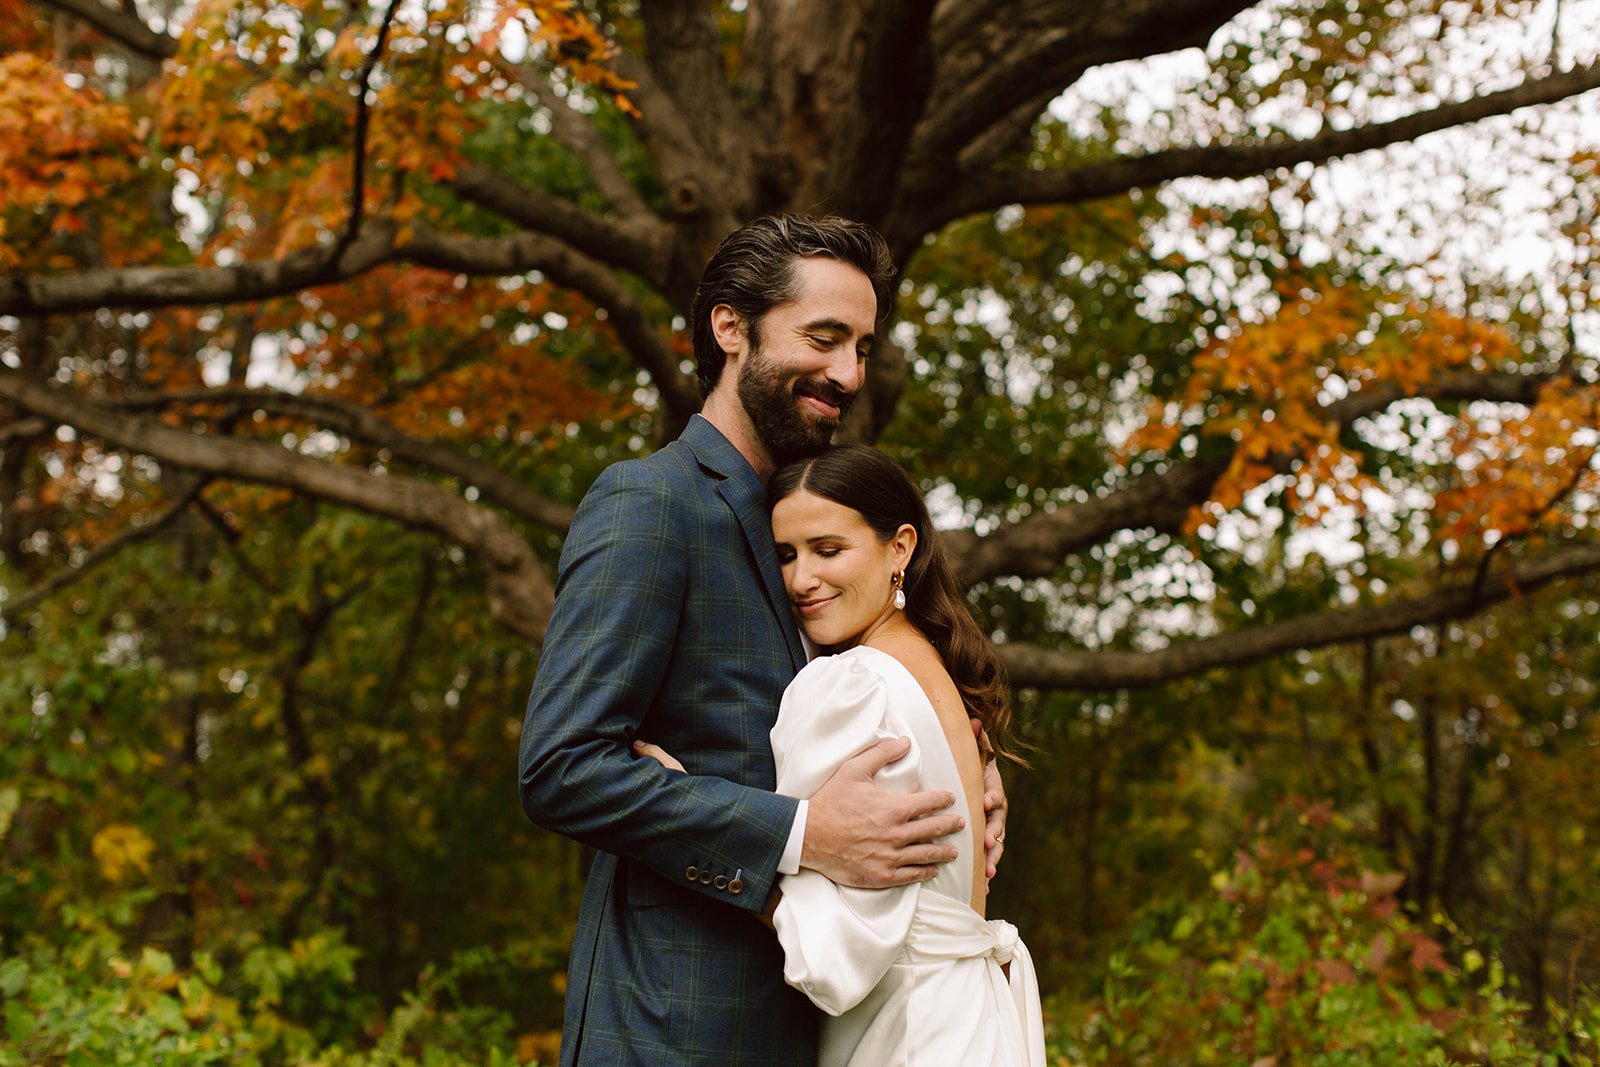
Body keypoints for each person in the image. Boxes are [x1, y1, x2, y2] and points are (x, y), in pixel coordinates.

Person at [518, 214, 1008, 1066]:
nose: (848, 372)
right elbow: (561, 768)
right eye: (824, 338)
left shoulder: (813, 536)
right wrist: (801, 832)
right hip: (674, 1027)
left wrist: (962, 772)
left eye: (861, 346)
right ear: (731, 328)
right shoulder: (651, 503)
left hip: (825, 1018)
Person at [641, 445, 1044, 1066]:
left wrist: (689, 820)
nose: (802, 580)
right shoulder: (932, 673)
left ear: (900, 549)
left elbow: (832, 956)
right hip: (971, 1022)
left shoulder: (852, 685)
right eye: (786, 555)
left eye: (828, 550)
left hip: (907, 1037)